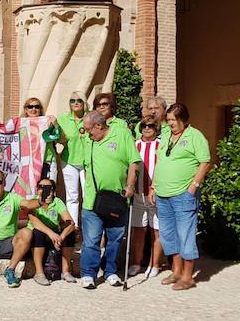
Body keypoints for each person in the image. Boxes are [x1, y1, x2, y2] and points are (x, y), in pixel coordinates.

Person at [152, 103, 211, 291]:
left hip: (183, 194)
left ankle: (188, 276)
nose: (170, 124)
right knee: (168, 234)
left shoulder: (195, 136)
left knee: (185, 234)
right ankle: (176, 271)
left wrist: (193, 187)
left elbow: (205, 162)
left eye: (173, 120)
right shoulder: (166, 136)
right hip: (163, 194)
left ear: (183, 119)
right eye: (168, 120)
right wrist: (153, 185)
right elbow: (160, 160)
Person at [80, 110, 141, 289]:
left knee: (115, 238)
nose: (87, 134)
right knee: (91, 239)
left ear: (99, 126)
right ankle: (88, 274)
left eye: (89, 130)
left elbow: (134, 162)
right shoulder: (87, 140)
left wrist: (130, 185)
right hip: (93, 199)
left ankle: (110, 271)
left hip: (117, 198)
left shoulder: (122, 134)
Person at [128, 116, 164, 278]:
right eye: (143, 125)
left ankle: (154, 264)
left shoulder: (161, 145)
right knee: (138, 230)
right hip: (137, 195)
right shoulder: (134, 145)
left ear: (156, 128)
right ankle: (136, 263)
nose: (146, 128)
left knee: (156, 231)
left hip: (155, 194)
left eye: (150, 126)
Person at [28, 177, 77, 285]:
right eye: (41, 187)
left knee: (70, 233)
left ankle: (65, 271)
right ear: (37, 190)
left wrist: (62, 236)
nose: (44, 190)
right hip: (39, 237)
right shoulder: (33, 202)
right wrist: (51, 234)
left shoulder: (57, 202)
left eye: (48, 188)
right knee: (38, 232)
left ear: (53, 192)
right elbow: (34, 222)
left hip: (54, 238)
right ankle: (39, 273)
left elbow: (70, 222)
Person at [57, 91, 88, 226]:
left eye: (79, 100)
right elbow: (56, 136)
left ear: (84, 102)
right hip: (69, 160)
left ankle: (89, 231)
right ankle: (73, 230)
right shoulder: (63, 118)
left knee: (88, 196)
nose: (75, 103)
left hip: (88, 162)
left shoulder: (91, 117)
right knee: (72, 197)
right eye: (72, 100)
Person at [23, 97, 57, 180]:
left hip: (46, 160)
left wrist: (55, 125)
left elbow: (56, 137)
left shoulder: (48, 121)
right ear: (26, 109)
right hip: (28, 162)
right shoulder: (20, 123)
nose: (33, 109)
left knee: (47, 189)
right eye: (30, 107)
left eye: (37, 106)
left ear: (40, 109)